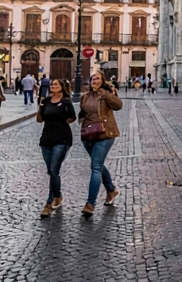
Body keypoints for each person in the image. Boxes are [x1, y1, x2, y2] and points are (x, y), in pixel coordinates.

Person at [77, 71, 122, 217]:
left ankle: (90, 203)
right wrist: (81, 120)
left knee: (95, 166)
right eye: (92, 78)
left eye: (97, 78)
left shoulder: (107, 94)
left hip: (105, 134)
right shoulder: (85, 96)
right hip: (89, 135)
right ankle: (111, 190)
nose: (94, 80)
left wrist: (106, 94)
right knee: (99, 164)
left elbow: (118, 106)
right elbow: (83, 113)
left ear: (102, 81)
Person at [37, 79, 77, 218]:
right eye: (52, 85)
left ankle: (49, 203)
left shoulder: (66, 101)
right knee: (51, 171)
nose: (53, 86)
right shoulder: (46, 101)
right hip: (46, 139)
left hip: (62, 139)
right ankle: (58, 195)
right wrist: (40, 106)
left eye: (56, 85)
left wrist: (61, 122)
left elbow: (72, 117)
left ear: (62, 88)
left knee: (54, 170)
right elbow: (39, 120)